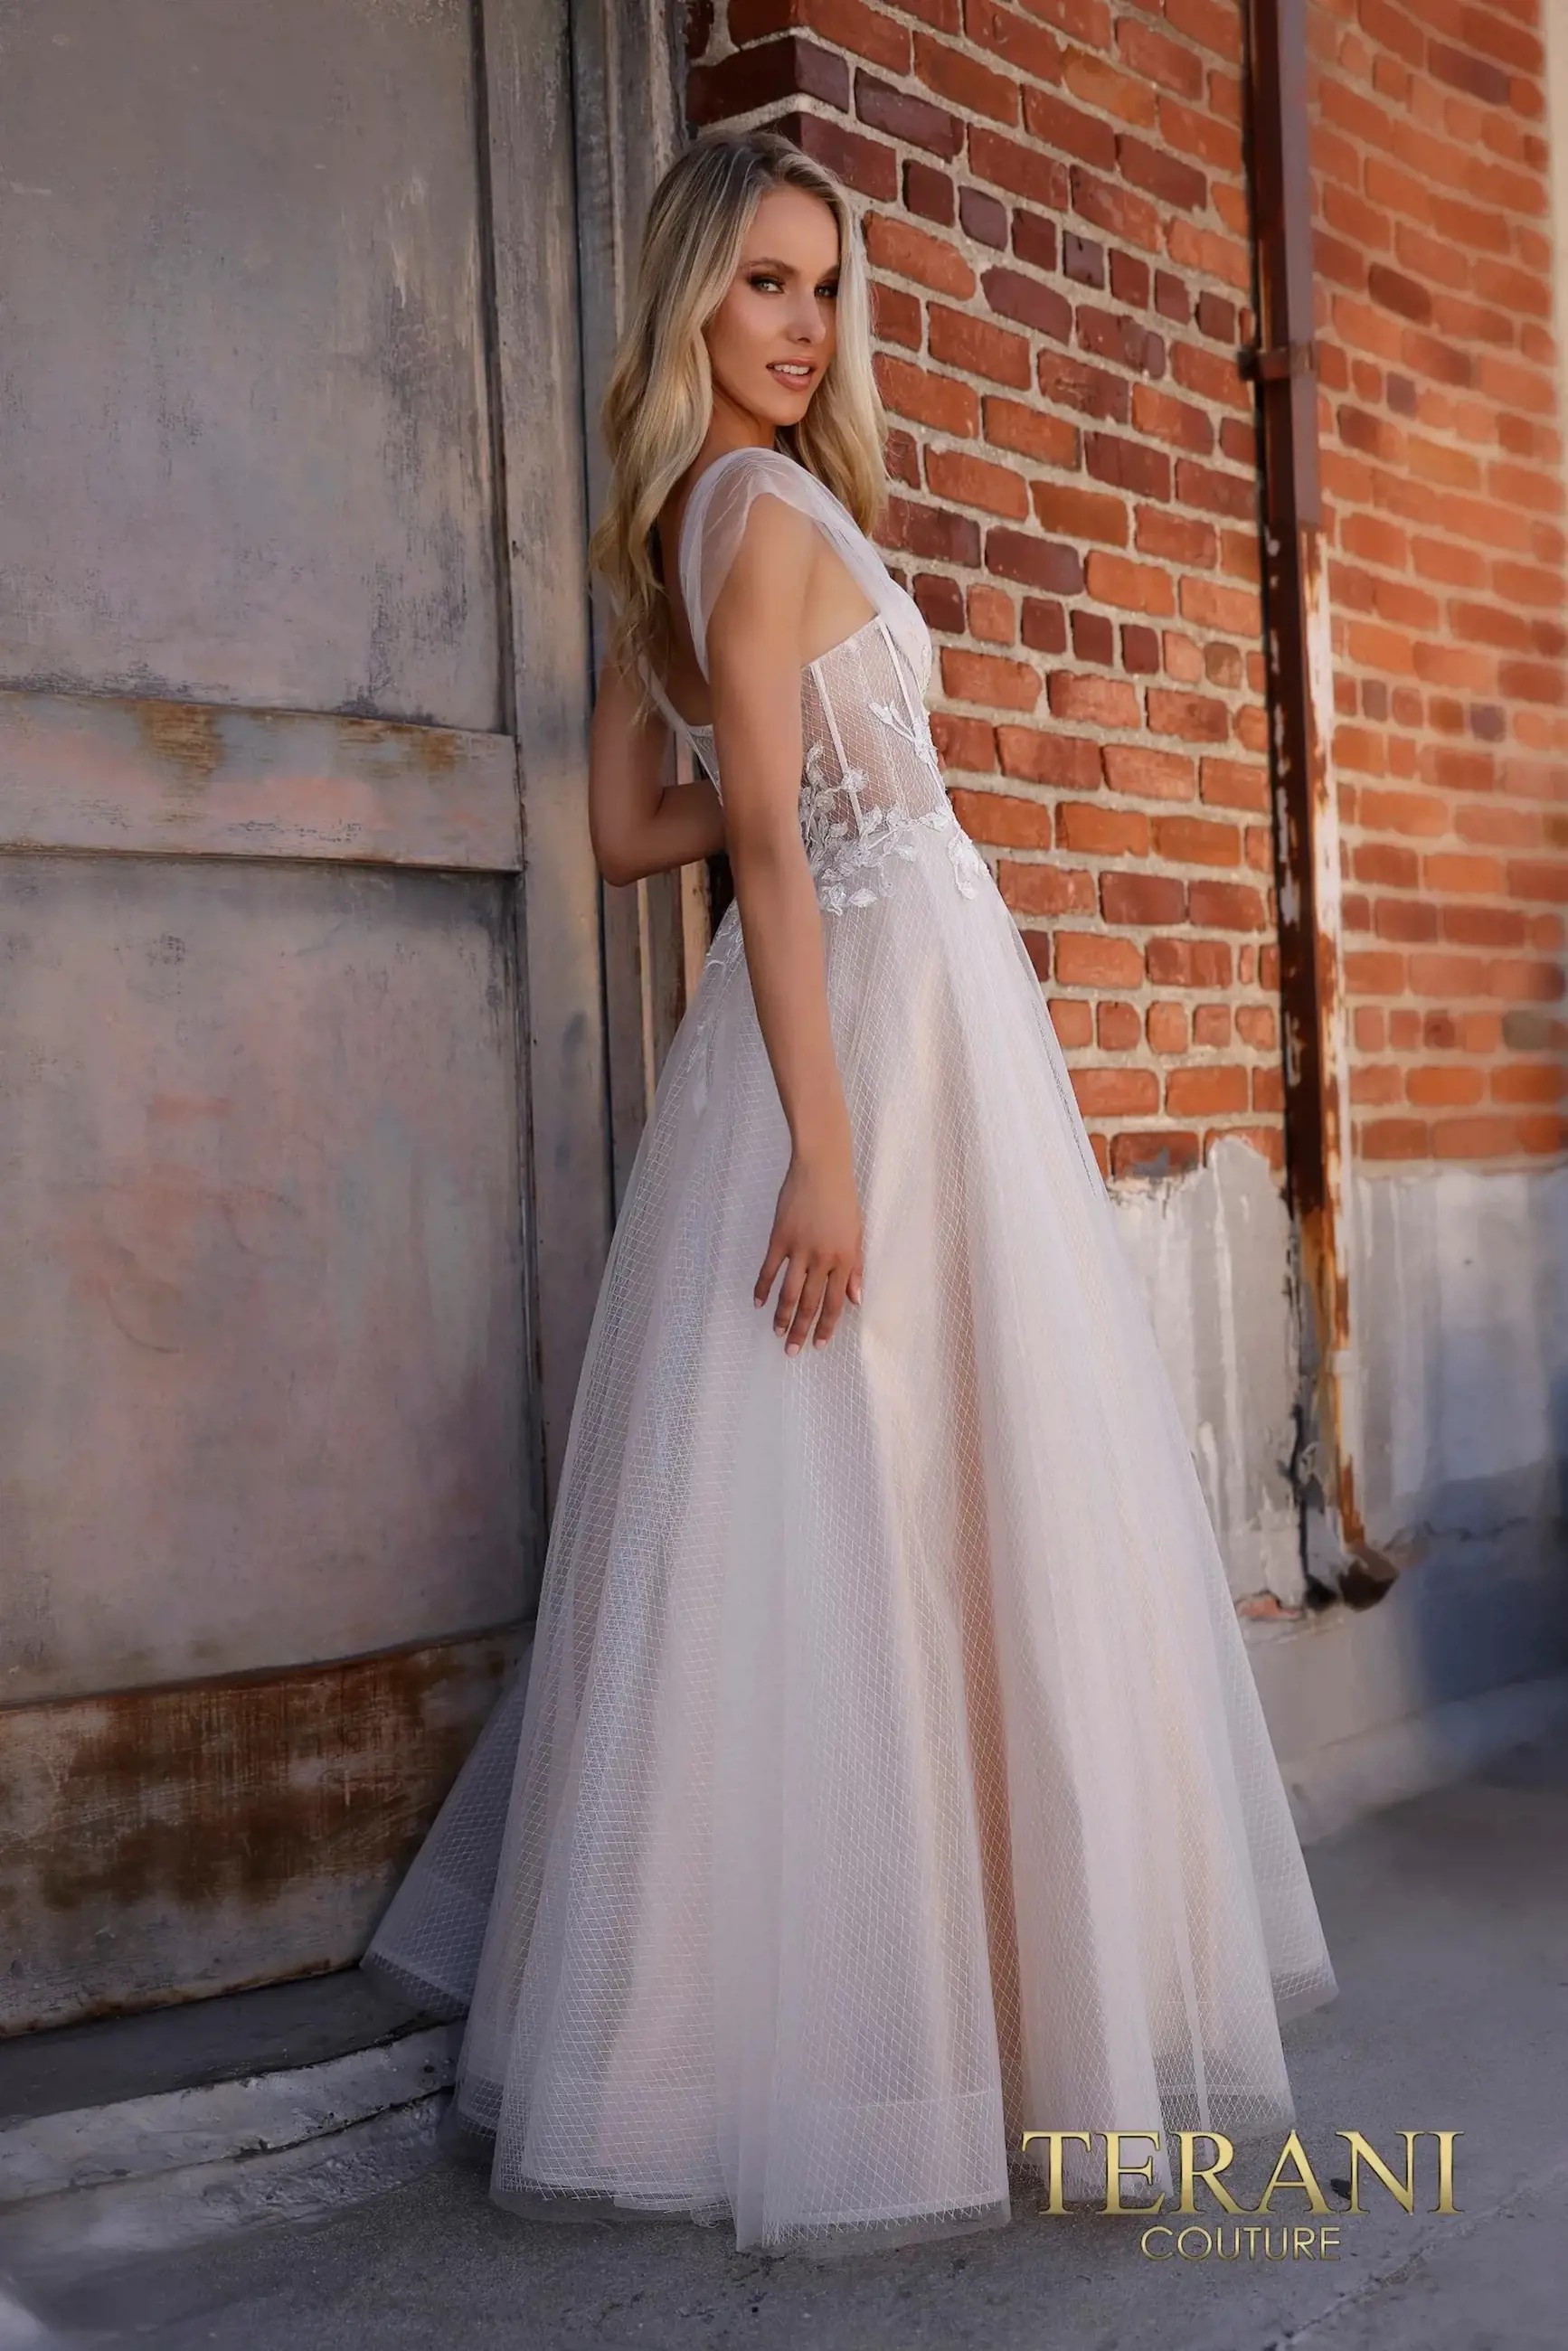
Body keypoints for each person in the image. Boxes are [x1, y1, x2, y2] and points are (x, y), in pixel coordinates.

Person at [364, 124, 1337, 2261]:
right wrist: (824, 1144)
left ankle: (914, 2012)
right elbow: (772, 862)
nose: (803, 328)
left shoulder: (714, 517)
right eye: (763, 286)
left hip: (883, 1018)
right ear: (691, 301)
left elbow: (641, 826)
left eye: (826, 288)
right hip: (871, 1050)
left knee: (883, 1496)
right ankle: (929, 2040)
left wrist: (681, 651)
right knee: (900, 1492)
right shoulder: (767, 513)